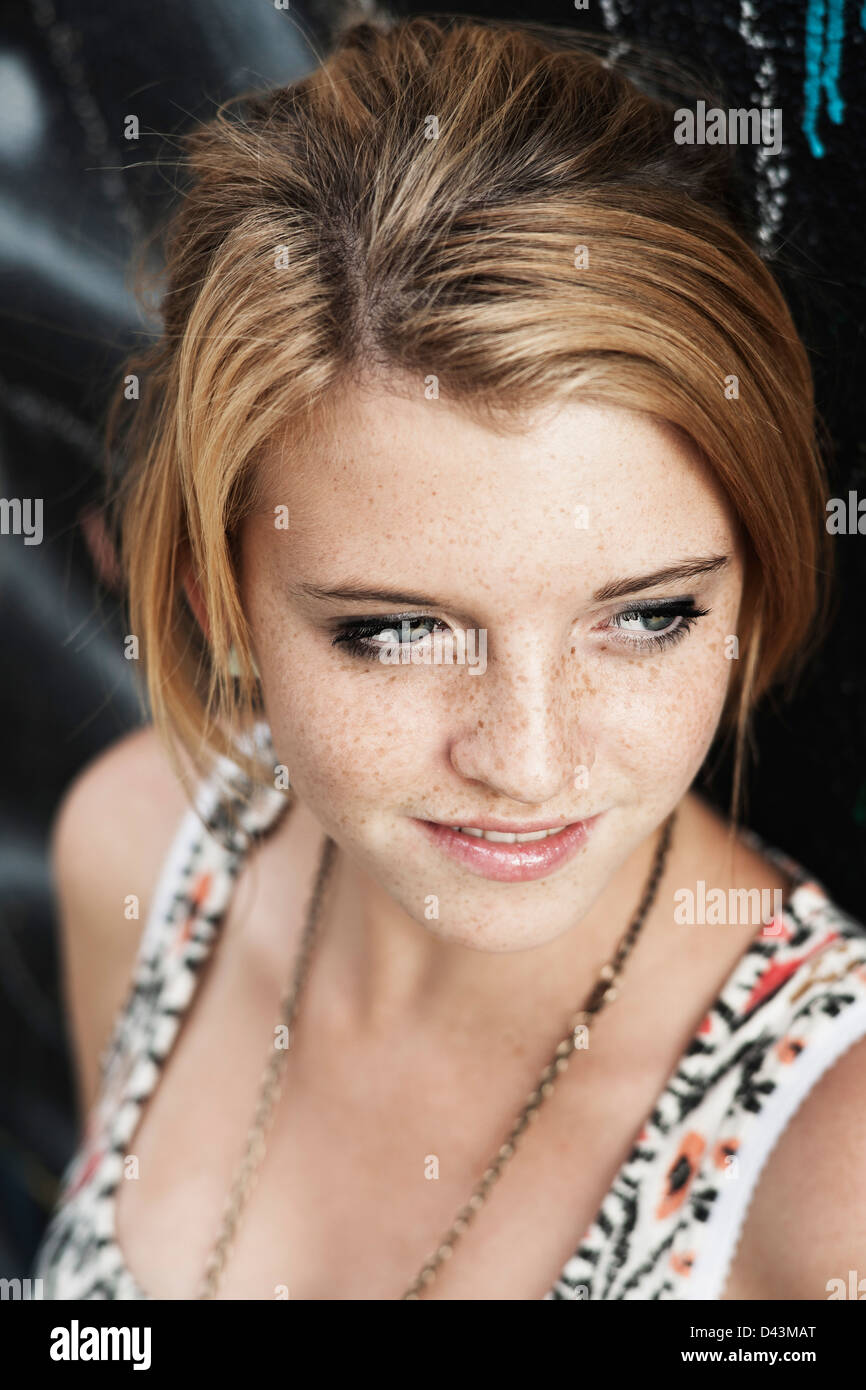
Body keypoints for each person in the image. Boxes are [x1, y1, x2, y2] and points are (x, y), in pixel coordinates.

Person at [32, 12, 866, 1301]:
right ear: (220, 605)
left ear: (751, 580)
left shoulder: (825, 1177)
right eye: (396, 631)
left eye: (646, 616)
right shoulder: (137, 860)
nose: (529, 761)